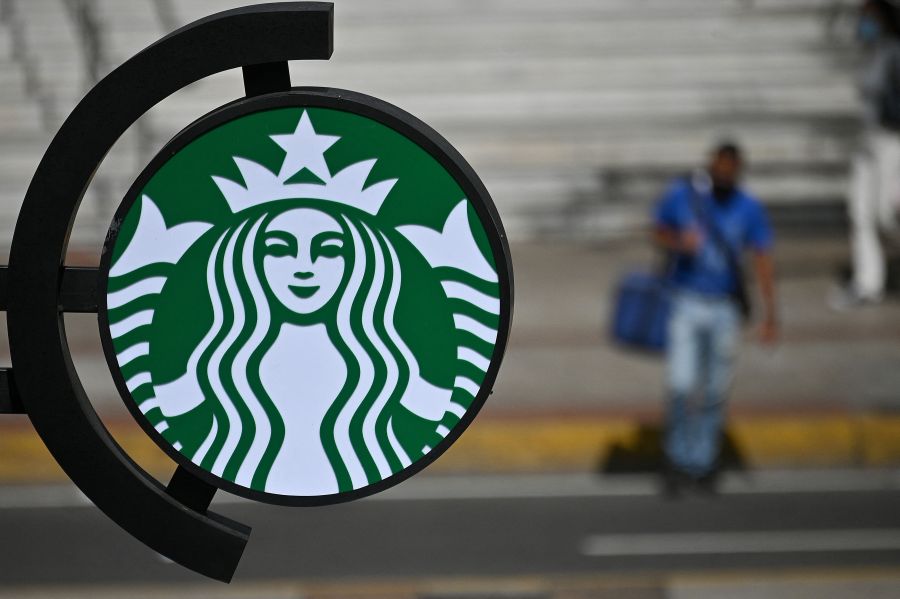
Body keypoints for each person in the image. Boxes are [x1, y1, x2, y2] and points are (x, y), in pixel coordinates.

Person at [653, 142, 778, 493]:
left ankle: (703, 459)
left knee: (714, 389)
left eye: (729, 171)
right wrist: (679, 242)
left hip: (724, 306)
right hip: (686, 300)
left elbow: (763, 259)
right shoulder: (684, 196)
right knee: (680, 383)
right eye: (717, 170)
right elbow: (657, 229)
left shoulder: (749, 207)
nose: (722, 176)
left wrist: (771, 315)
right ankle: (676, 456)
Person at [834, 0, 900, 307]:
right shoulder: (870, 52)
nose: (863, 21)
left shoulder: (895, 52)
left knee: (887, 215)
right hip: (869, 139)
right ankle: (867, 282)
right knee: (860, 212)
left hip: (892, 139)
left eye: (868, 15)